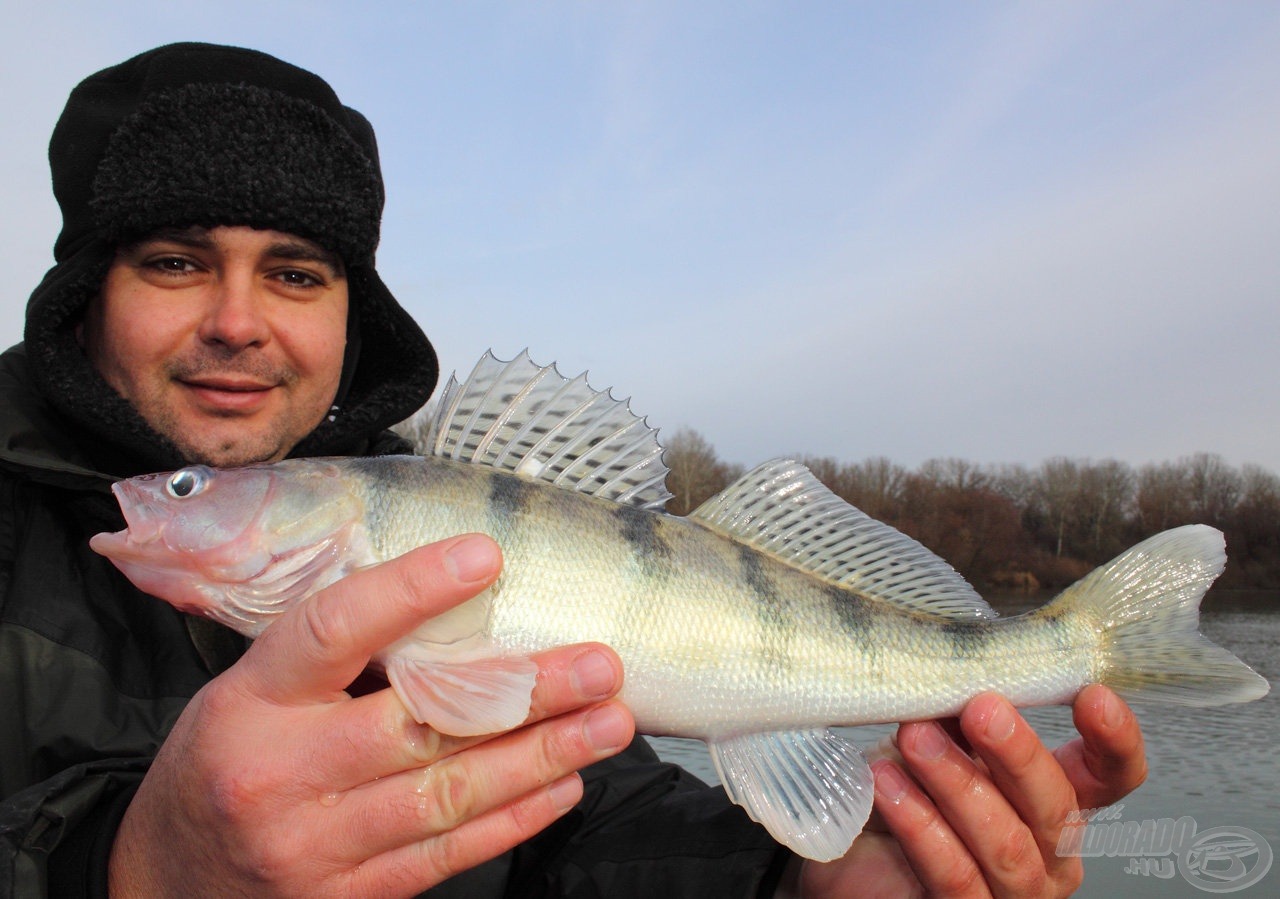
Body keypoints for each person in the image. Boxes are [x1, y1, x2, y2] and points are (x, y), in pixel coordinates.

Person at [0, 43, 1147, 897]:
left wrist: (801, 886)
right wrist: (130, 866)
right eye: (173, 261)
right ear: (82, 293)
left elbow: (580, 814)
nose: (239, 320)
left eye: (297, 272)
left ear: (353, 314)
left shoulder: (406, 506)